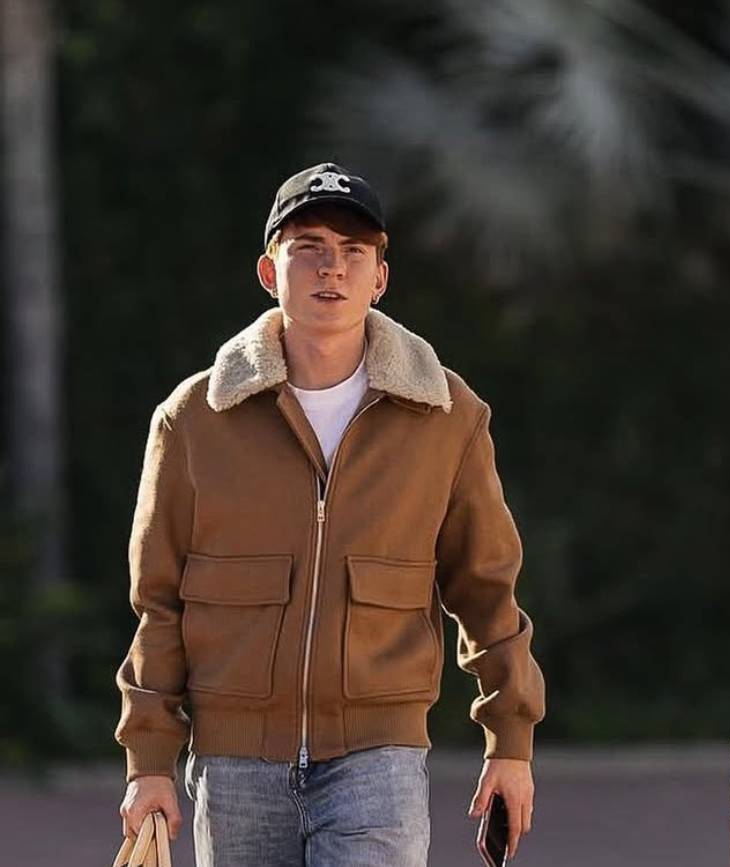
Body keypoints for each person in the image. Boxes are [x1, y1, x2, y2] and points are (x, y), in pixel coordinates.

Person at [114, 162, 545, 866]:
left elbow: (487, 588)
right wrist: (149, 762)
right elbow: (158, 603)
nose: (331, 268)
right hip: (235, 767)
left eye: (353, 250)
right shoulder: (194, 419)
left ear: (380, 278)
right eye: (308, 246)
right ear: (269, 271)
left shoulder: (446, 416)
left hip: (378, 762)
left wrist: (511, 741)